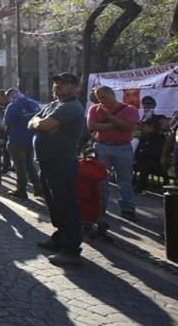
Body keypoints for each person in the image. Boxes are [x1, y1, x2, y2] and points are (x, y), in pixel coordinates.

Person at [29, 73, 87, 266]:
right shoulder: (54, 105)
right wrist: (42, 126)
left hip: (61, 162)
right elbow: (34, 121)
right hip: (47, 162)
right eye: (56, 84)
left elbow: (43, 123)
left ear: (76, 87)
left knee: (66, 205)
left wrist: (42, 125)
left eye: (64, 84)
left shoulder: (71, 107)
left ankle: (71, 248)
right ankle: (60, 238)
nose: (58, 87)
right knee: (54, 204)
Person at [86, 85, 139, 224]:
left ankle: (128, 209)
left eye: (104, 96)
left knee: (124, 180)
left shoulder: (129, 109)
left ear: (112, 94)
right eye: (99, 98)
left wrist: (109, 117)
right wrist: (117, 125)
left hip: (122, 148)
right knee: (101, 179)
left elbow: (130, 127)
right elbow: (92, 126)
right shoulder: (95, 109)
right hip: (102, 146)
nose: (102, 100)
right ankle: (100, 207)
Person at [4, 88, 42, 200]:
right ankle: (38, 187)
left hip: (17, 139)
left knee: (20, 166)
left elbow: (6, 123)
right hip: (31, 139)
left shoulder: (13, 106)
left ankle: (21, 190)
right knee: (30, 164)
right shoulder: (34, 104)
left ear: (11, 96)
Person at [134, 96, 168, 197]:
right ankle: (138, 185)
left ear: (154, 105)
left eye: (149, 104)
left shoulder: (159, 117)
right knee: (140, 158)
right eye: (145, 104)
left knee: (146, 161)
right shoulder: (142, 117)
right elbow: (139, 133)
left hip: (156, 150)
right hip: (143, 149)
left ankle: (141, 187)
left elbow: (163, 127)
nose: (147, 106)